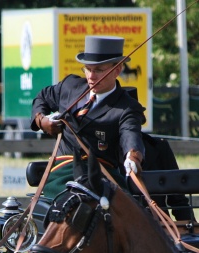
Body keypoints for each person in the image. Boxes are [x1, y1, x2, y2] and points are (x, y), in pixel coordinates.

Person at [31, 35, 146, 199]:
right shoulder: (70, 86)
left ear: (117, 70)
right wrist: (42, 121)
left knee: (129, 209)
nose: (91, 76)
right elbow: (42, 97)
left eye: (99, 70)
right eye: (87, 69)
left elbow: (130, 133)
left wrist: (132, 157)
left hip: (102, 175)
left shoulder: (127, 107)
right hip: (63, 174)